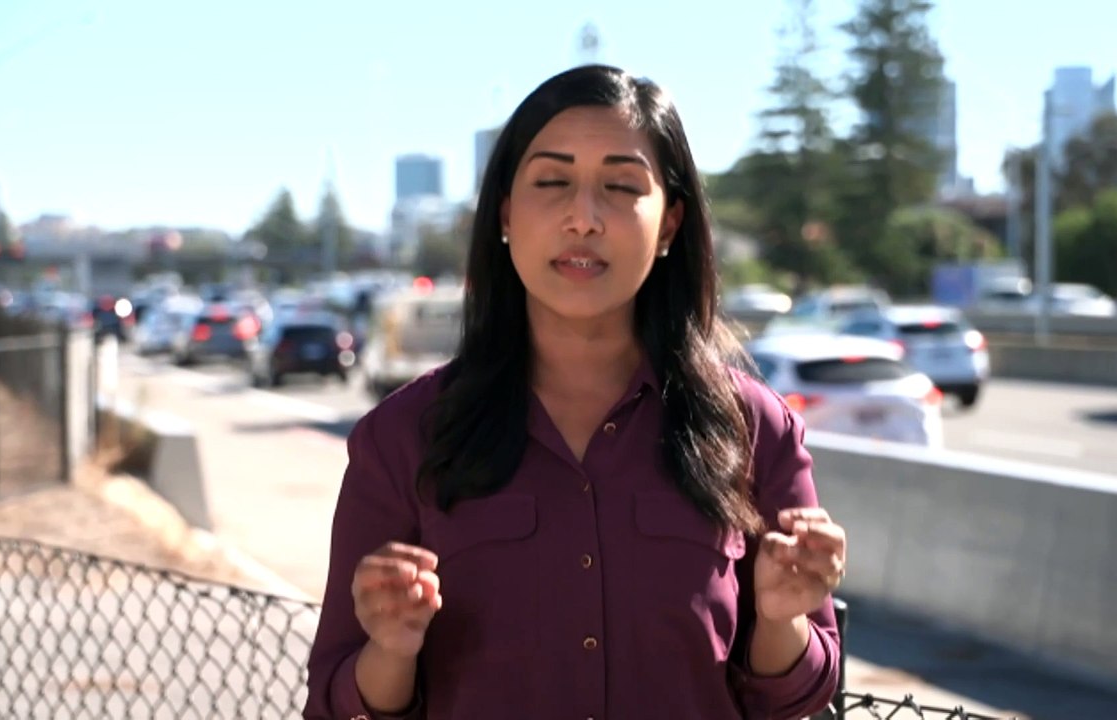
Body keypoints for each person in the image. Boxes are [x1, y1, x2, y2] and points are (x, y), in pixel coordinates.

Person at [304, 64, 847, 720]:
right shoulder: (402, 436)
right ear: (505, 211)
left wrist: (782, 622)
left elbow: (799, 694)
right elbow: (337, 703)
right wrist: (389, 650)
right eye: (552, 182)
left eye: (621, 186)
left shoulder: (757, 429)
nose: (583, 219)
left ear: (670, 224)